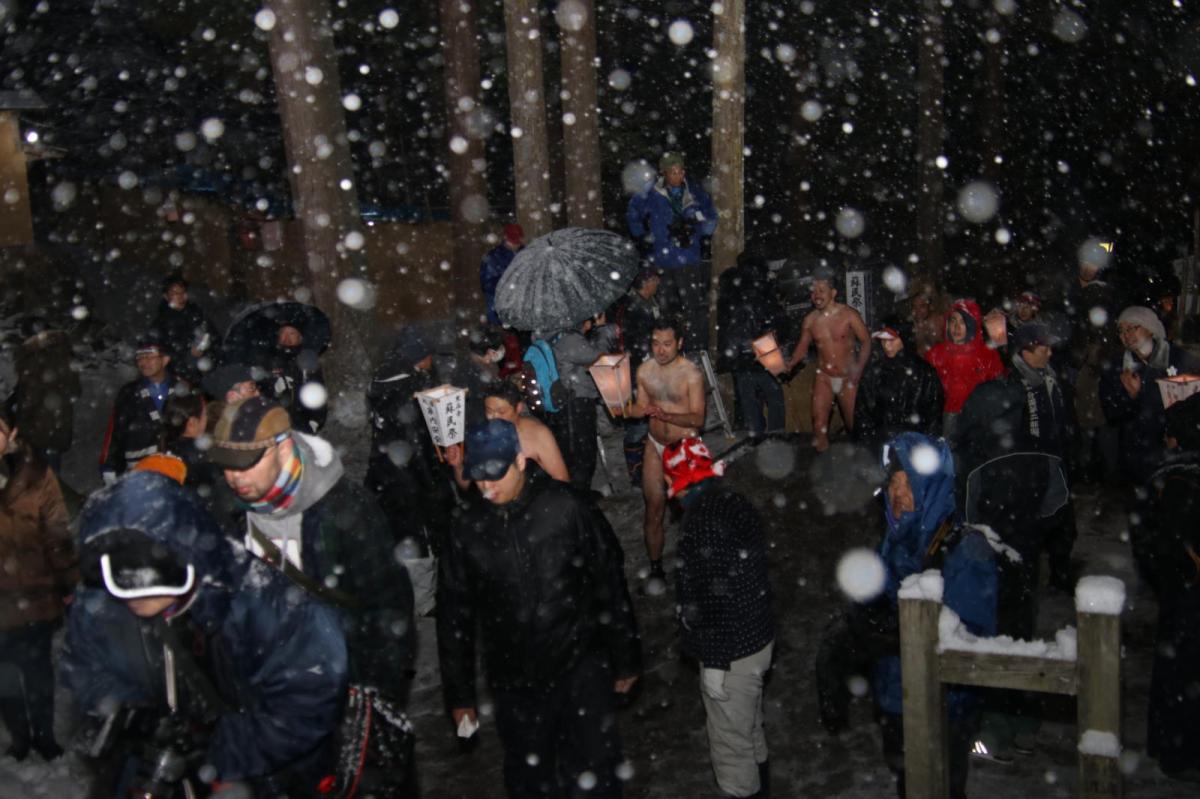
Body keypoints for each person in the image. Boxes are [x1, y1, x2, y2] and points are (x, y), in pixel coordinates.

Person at [62, 470, 348, 796]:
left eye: (154, 573)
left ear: (188, 556)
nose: (138, 591)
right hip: (149, 769)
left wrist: (216, 747)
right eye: (122, 575)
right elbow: (86, 668)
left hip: (261, 775)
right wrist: (130, 715)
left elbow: (310, 695)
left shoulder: (264, 603)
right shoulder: (99, 606)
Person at [437, 420, 642, 799]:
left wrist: (625, 656)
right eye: (478, 477)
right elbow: (454, 615)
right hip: (515, 683)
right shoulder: (466, 529)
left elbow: (608, 580)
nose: (487, 486)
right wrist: (460, 695)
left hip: (579, 669)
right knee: (532, 782)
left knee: (596, 774)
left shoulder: (566, 507)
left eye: (495, 474)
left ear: (520, 460)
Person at [208, 398, 415, 706]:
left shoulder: (346, 511)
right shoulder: (224, 509)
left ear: (283, 448)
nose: (235, 476)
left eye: (247, 462)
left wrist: (372, 697)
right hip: (261, 695)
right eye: (227, 464)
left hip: (334, 690)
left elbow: (387, 608)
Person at [870, 433, 999, 799]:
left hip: (943, 708)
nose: (898, 494)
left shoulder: (963, 549)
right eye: (893, 484)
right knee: (908, 783)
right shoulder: (892, 540)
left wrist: (900, 633)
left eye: (908, 484)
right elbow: (876, 601)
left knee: (940, 786)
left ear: (932, 486)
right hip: (896, 697)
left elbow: (973, 639)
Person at [665, 437, 774, 799]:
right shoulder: (733, 501)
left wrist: (714, 660)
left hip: (732, 651)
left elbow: (713, 595)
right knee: (750, 731)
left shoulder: (702, 522)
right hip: (756, 636)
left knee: (731, 749)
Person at [0, 411, 75, 761]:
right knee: (4, 674)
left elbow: (57, 531)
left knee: (37, 669)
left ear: (12, 432)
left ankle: (44, 735)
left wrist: (68, 579)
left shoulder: (37, 473)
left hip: (35, 589)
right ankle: (19, 737)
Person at [1134, 393, 1200, 783]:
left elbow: (1151, 540)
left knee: (1177, 670)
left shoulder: (1173, 476)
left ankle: (1172, 747)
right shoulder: (1178, 479)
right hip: (1185, 595)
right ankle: (1177, 750)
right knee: (1181, 671)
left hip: (1181, 596)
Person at [365, 326, 456, 571]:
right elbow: (416, 441)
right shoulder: (408, 391)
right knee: (418, 537)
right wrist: (432, 482)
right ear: (419, 356)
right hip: (410, 478)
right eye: (429, 355)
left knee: (395, 531)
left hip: (384, 472)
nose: (432, 360)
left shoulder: (383, 378)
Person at [626, 319, 706, 590]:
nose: (660, 350)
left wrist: (668, 415)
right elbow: (639, 408)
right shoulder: (645, 370)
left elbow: (698, 418)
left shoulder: (691, 374)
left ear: (680, 343)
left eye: (667, 344)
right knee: (653, 508)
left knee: (693, 511)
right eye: (656, 343)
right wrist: (623, 407)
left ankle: (702, 568)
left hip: (684, 445)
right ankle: (656, 569)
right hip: (654, 444)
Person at [627, 151, 718, 348]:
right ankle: (667, 348)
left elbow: (711, 217)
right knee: (665, 309)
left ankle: (694, 347)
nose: (679, 175)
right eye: (674, 172)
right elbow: (633, 211)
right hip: (663, 260)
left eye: (681, 171)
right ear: (664, 173)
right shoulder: (651, 193)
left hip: (689, 259)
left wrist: (696, 228)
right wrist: (642, 235)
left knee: (693, 308)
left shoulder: (695, 192)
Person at [1099, 306, 1200, 482]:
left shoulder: (1178, 360)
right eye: (1121, 330)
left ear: (1150, 329)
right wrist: (1131, 397)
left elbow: (1193, 406)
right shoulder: (1117, 367)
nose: (1127, 335)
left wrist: (1177, 435)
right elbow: (1112, 414)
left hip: (1174, 454)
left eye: (1132, 327)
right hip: (1135, 454)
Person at [784, 267, 872, 452]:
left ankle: (862, 461)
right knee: (818, 426)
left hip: (847, 378)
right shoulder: (810, 320)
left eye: (821, 291)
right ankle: (822, 463)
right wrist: (791, 363)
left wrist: (859, 368)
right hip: (824, 377)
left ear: (833, 293)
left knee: (854, 426)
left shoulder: (849, 315)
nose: (816, 295)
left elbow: (866, 341)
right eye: (813, 291)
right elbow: (802, 346)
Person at [100, 334, 186, 483]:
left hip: (177, 468)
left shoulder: (182, 389)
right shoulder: (129, 393)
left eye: (150, 356)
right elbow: (116, 432)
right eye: (140, 357)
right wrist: (109, 467)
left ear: (165, 359)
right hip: (139, 470)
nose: (144, 362)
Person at [717, 253, 786, 437]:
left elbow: (725, 321)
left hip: (738, 345)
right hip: (763, 341)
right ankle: (775, 432)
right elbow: (774, 316)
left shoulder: (730, 285)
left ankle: (756, 432)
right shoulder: (763, 286)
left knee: (747, 393)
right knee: (772, 391)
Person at [1065, 253, 1120, 483]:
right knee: (1083, 421)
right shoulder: (1069, 292)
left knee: (1100, 421)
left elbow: (1106, 334)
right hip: (1079, 366)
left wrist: (1097, 353)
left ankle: (1102, 472)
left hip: (1097, 368)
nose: (1089, 268)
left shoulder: (1103, 294)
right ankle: (1086, 470)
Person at [852, 321, 944, 457]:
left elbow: (933, 413)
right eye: (883, 340)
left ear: (904, 339)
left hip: (915, 446)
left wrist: (928, 447)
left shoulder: (924, 372)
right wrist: (866, 448)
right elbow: (863, 414)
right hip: (882, 445)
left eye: (892, 340)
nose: (886, 345)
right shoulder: (874, 372)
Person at [546, 314, 613, 493]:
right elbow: (599, 357)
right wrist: (602, 330)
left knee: (574, 452)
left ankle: (578, 492)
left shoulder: (554, 335)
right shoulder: (570, 339)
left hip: (564, 403)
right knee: (583, 454)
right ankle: (580, 496)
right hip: (576, 403)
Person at [5, 317, 81, 472]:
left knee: (34, 475)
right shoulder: (62, 353)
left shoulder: (36, 357)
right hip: (54, 430)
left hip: (38, 430)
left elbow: (29, 396)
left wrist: (19, 423)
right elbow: (74, 390)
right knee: (48, 474)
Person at [923, 298, 1005, 439]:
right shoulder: (935, 355)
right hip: (945, 418)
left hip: (979, 418)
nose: (956, 327)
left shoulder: (988, 355)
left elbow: (999, 390)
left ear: (972, 324)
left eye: (963, 322)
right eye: (953, 321)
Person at [614, 268, 662, 484]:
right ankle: (637, 470)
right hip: (637, 371)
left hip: (639, 369)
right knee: (639, 421)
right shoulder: (636, 308)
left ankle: (648, 466)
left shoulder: (642, 304)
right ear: (647, 282)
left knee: (646, 418)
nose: (658, 284)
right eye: (655, 280)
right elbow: (640, 342)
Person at [153, 274, 216, 384]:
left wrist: (205, 350)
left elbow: (214, 337)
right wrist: (187, 352)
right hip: (178, 377)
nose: (180, 296)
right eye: (175, 293)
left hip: (204, 373)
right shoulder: (160, 323)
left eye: (183, 292)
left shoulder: (197, 314)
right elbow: (161, 353)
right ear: (166, 296)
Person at [481, 223, 524, 326]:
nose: (515, 244)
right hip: (500, 314)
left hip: (522, 314)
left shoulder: (525, 254)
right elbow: (487, 284)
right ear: (505, 239)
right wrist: (509, 283)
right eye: (512, 241)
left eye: (517, 241)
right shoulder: (493, 257)